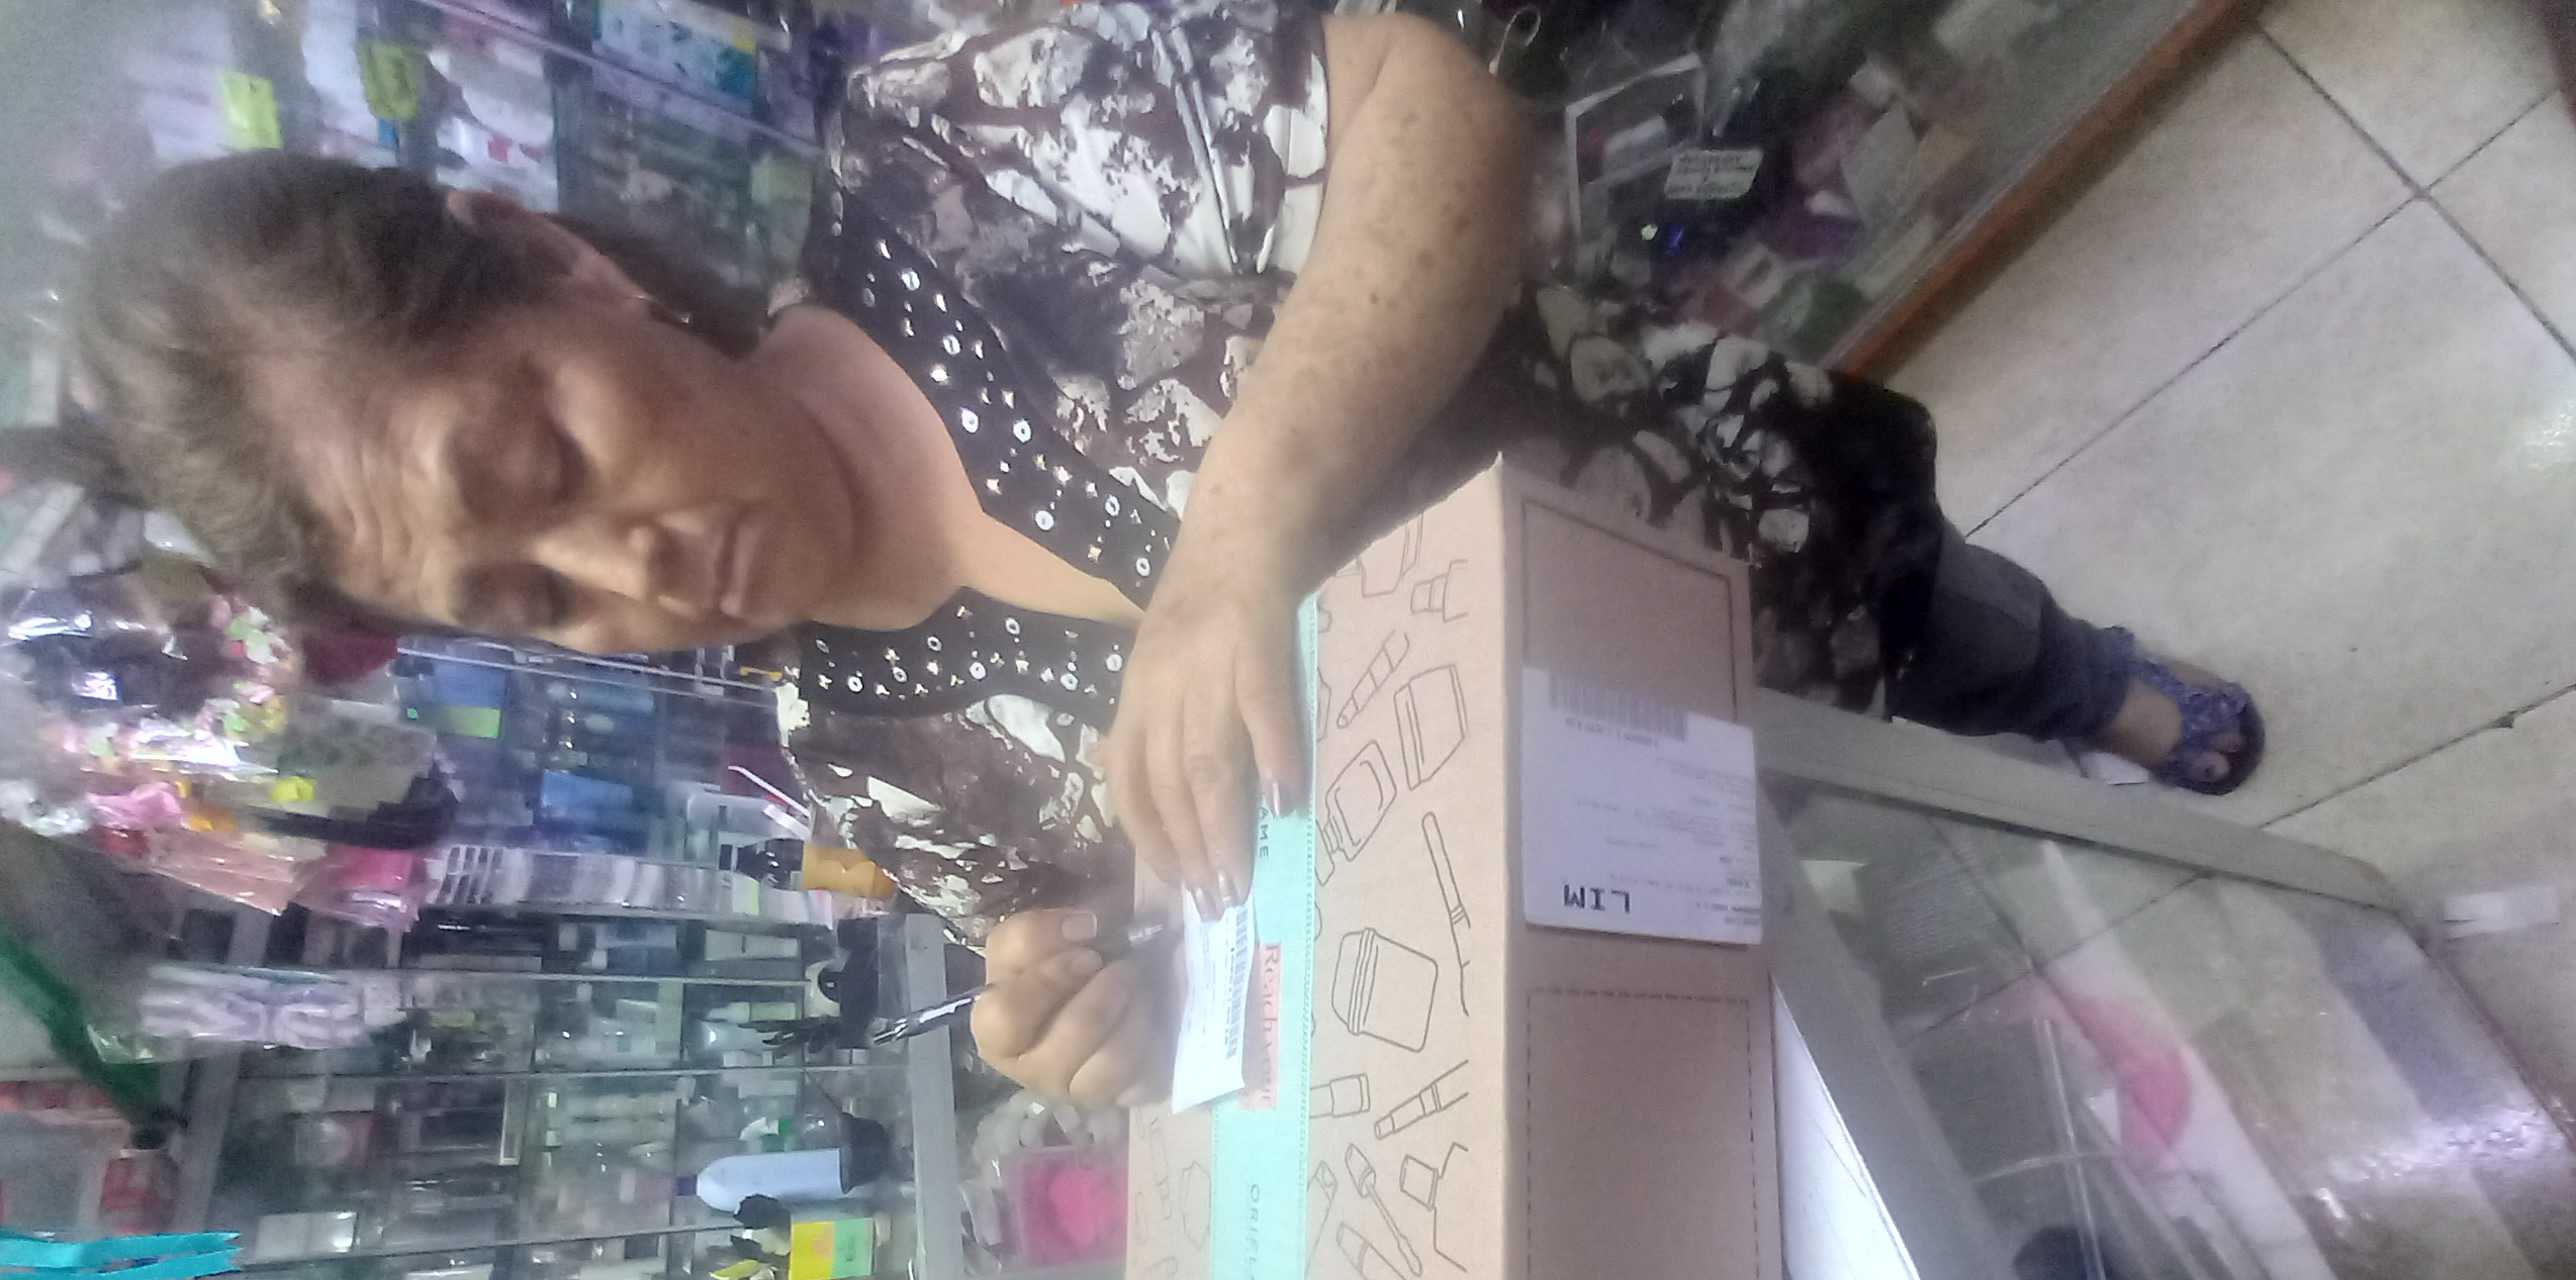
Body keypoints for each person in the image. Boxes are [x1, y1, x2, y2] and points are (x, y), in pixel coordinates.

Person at [62, 0, 2258, 1107]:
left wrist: (1244, 529)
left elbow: (1444, 72)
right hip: (1660, 912)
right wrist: (1084, 1022)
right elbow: (1155, 925)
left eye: (543, 454)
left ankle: (2102, 693)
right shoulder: (866, 754)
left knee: (1978, 648)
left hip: (1760, 574)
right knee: (1989, 948)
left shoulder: (969, 149)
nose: (632, 572)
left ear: (553, 259)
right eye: (534, 603)